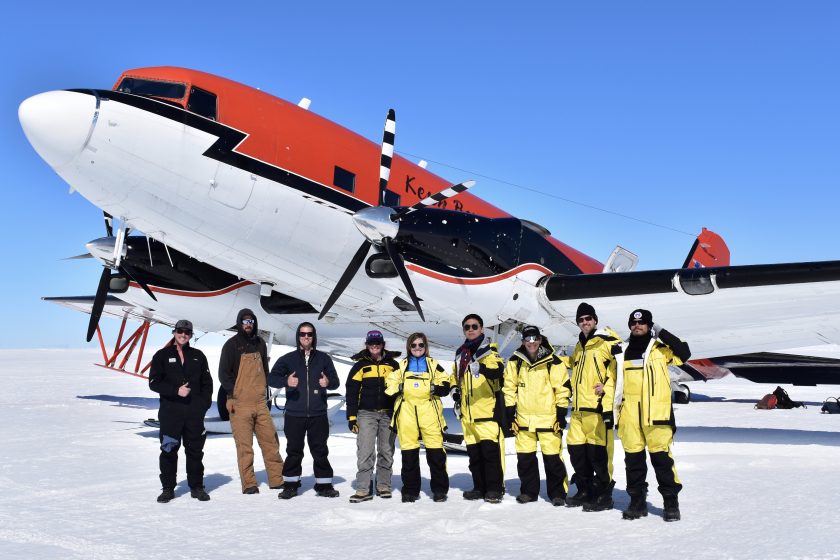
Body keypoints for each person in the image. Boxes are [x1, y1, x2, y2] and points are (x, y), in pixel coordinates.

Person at [615, 309, 691, 522]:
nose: (637, 326)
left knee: (662, 462)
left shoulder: (660, 350)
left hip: (656, 416)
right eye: (634, 323)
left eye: (642, 323)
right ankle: (637, 503)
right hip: (630, 416)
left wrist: (662, 332)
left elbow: (684, 353)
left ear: (649, 326)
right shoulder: (621, 351)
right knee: (634, 463)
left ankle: (670, 503)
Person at [269, 322, 340, 499]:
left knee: (320, 450)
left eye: (309, 334)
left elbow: (336, 381)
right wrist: (286, 381)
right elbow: (271, 378)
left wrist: (328, 383)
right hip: (294, 415)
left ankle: (324, 485)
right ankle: (291, 485)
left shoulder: (324, 359)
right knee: (294, 450)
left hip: (318, 414)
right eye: (302, 334)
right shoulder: (288, 359)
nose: (306, 337)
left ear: (313, 336)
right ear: (298, 336)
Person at [218, 309, 285, 494]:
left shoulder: (260, 343)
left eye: (251, 321)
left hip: (260, 403)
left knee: (271, 442)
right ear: (240, 323)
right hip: (240, 404)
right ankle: (249, 484)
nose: (248, 324)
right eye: (245, 321)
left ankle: (277, 480)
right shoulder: (231, 345)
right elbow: (223, 374)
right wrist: (233, 394)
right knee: (245, 447)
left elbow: (264, 369)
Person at [503, 325, 571, 506]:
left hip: (548, 420)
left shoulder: (553, 362)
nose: (531, 343)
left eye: (534, 339)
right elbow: (509, 389)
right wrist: (510, 415)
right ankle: (529, 492)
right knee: (525, 460)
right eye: (528, 339)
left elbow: (562, 389)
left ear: (540, 340)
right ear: (523, 341)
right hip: (524, 420)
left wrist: (561, 414)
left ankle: (557, 493)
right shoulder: (515, 362)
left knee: (553, 459)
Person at [565, 302, 622, 511]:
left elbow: (618, 370)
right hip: (579, 411)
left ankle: (604, 495)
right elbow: (574, 365)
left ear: (595, 320)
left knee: (600, 456)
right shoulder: (580, 345)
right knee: (577, 452)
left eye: (588, 318)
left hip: (597, 410)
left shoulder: (607, 341)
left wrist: (607, 391)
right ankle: (585, 490)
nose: (584, 322)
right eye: (581, 320)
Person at [149, 319, 213, 503]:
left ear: (191, 335)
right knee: (168, 451)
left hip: (194, 415)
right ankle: (168, 488)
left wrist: (203, 406)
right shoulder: (162, 355)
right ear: (174, 332)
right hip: (171, 415)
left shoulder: (198, 356)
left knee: (195, 452)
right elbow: (154, 383)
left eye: (187, 332)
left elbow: (207, 384)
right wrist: (175, 390)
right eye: (180, 331)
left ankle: (197, 487)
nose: (183, 334)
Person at [385, 332, 450, 503]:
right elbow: (389, 383)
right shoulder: (402, 365)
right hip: (407, 410)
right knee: (409, 453)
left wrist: (437, 388)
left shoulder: (433, 364)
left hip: (429, 409)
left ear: (425, 347)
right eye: (413, 345)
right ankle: (411, 490)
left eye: (421, 345)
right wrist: (399, 387)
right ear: (409, 347)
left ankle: (439, 490)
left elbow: (446, 382)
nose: (417, 348)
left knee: (436, 452)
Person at [450, 314, 505, 503]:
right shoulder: (460, 353)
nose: (471, 329)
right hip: (468, 414)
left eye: (474, 326)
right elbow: (454, 376)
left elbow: (498, 372)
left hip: (486, 412)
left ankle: (495, 489)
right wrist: (454, 390)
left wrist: (480, 368)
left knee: (490, 455)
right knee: (474, 456)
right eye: (467, 327)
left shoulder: (489, 352)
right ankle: (479, 487)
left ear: (482, 329)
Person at [345, 330, 400, 502]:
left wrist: (399, 414)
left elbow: (400, 390)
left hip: (388, 414)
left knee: (386, 450)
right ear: (367, 345)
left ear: (382, 344)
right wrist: (351, 417)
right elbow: (351, 393)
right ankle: (363, 489)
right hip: (366, 414)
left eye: (377, 343)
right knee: (365, 451)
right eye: (371, 343)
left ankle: (383, 485)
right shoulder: (360, 366)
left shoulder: (393, 365)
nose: (374, 346)